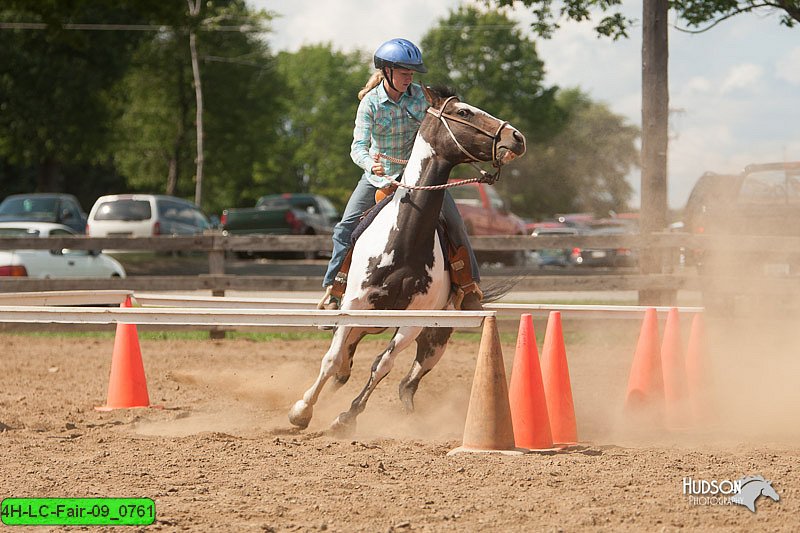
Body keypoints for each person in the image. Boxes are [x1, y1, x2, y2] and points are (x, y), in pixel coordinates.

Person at [318, 38, 483, 311]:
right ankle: (334, 290)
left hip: (421, 177)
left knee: (455, 223)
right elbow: (358, 147)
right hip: (378, 177)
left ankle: (469, 287)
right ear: (387, 72)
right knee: (345, 228)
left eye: (412, 73)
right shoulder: (370, 104)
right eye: (404, 72)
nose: (410, 78)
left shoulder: (422, 97)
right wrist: (371, 165)